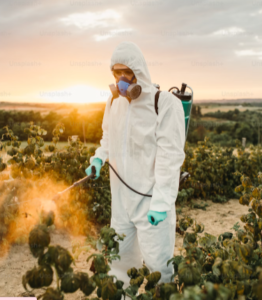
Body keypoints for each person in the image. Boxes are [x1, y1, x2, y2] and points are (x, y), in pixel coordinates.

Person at [86, 41, 186, 292]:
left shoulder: (164, 104)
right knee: (120, 265)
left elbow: (170, 157)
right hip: (121, 203)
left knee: (158, 269)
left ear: (138, 70)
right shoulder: (113, 103)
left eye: (126, 72)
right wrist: (98, 158)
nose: (121, 79)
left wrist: (162, 204)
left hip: (152, 204)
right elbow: (107, 138)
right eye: (115, 73)